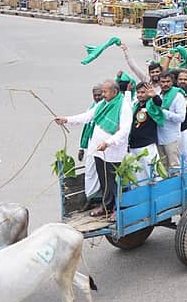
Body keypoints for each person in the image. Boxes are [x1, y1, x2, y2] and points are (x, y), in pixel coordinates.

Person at [55, 80, 133, 220]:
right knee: (104, 181)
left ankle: (118, 209)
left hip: (113, 152)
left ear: (114, 92)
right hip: (99, 151)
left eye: (105, 92)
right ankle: (107, 206)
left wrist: (108, 143)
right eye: (102, 92)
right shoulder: (102, 104)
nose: (102, 95)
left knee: (113, 182)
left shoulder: (123, 106)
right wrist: (66, 120)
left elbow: (124, 131)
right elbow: (87, 116)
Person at [127, 81, 163, 182]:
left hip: (147, 145)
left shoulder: (151, 105)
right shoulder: (135, 106)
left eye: (143, 92)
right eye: (138, 92)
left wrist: (154, 96)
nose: (140, 95)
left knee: (153, 173)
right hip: (134, 146)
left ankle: (158, 191)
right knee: (138, 176)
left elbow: (159, 104)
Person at [151, 71, 186, 171]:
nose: (165, 84)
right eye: (163, 82)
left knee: (174, 166)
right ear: (159, 83)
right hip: (158, 137)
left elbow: (181, 118)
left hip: (172, 138)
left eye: (168, 81)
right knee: (162, 167)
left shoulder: (178, 96)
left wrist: (163, 112)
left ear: (172, 82)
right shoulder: (157, 96)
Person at [77, 85, 104, 200]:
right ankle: (90, 196)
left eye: (99, 95)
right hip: (92, 145)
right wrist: (81, 147)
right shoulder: (91, 107)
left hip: (104, 146)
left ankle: (101, 196)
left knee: (103, 172)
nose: (97, 97)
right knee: (90, 170)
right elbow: (86, 128)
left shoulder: (107, 107)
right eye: (95, 95)